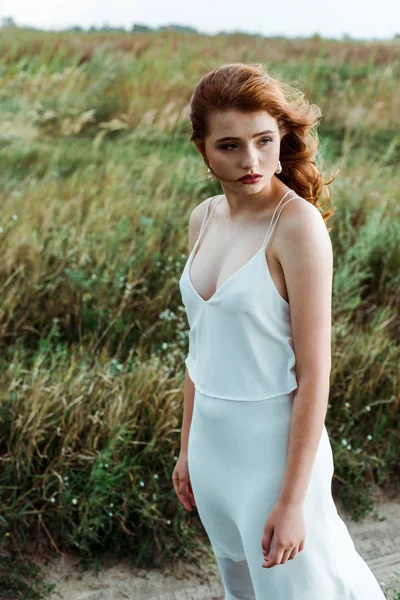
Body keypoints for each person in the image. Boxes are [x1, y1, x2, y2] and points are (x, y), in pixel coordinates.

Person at [172, 62, 385, 599]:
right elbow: (200, 347)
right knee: (242, 593)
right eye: (229, 146)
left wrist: (292, 501)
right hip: (213, 449)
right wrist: (185, 449)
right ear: (201, 147)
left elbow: (315, 375)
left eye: (264, 141)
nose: (251, 161)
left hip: (276, 455)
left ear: (282, 136)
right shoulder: (203, 219)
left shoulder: (297, 227)